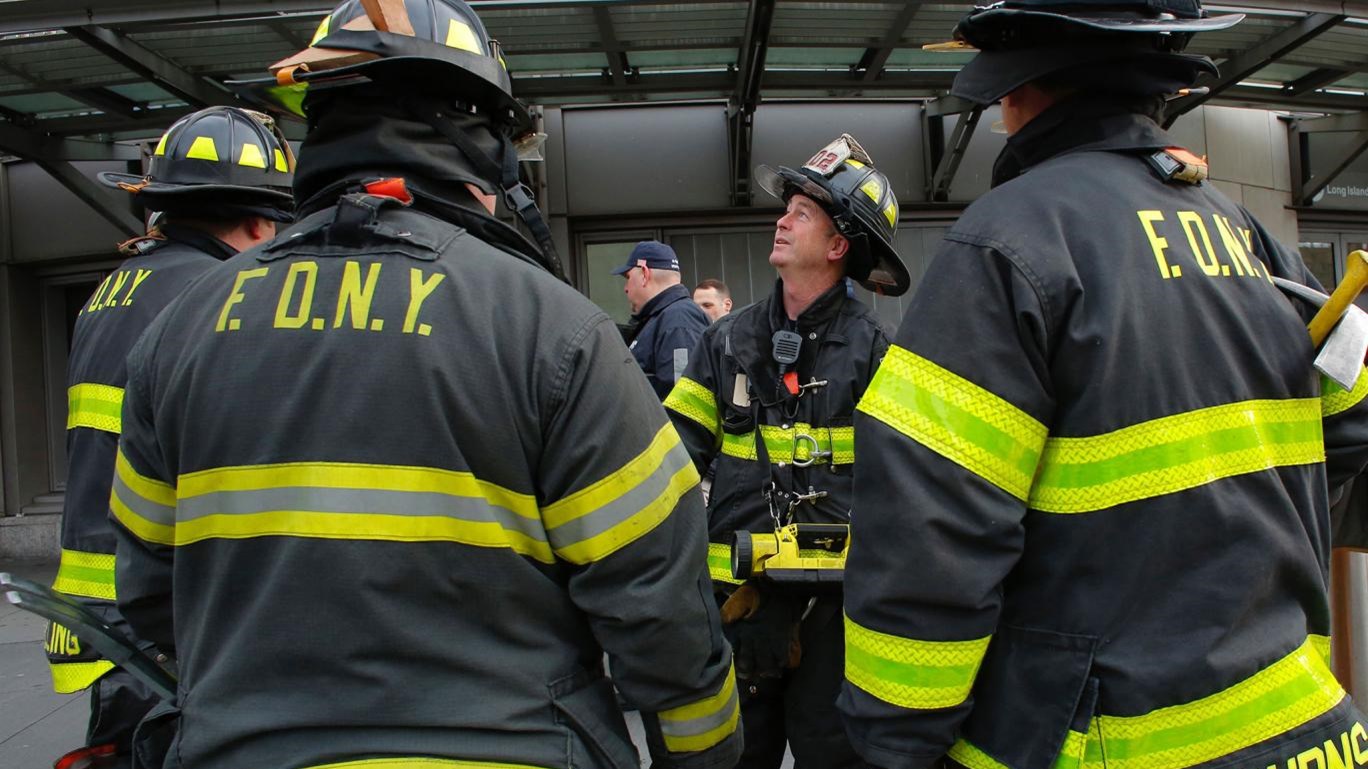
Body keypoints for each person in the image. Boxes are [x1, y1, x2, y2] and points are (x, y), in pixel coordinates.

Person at [108, 2, 740, 769]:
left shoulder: (179, 331)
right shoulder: (554, 329)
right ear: (475, 141)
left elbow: (148, 593)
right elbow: (659, 605)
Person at [840, 4, 1368, 769]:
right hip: (1302, 726)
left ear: (1019, 90)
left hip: (1108, 737)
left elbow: (929, 533)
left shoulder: (1009, 241)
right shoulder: (1247, 234)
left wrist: (892, 747)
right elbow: (1348, 438)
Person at [45, 105, 293, 769]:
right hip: (166, 607)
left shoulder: (119, 287)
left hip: (103, 598)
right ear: (257, 221)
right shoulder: (219, 294)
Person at [664, 133, 909, 769]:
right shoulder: (727, 342)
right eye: (786, 207)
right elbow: (670, 461)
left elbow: (900, 499)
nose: (781, 217)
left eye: (803, 212)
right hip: (735, 609)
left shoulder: (880, 356)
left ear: (836, 247)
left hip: (836, 621)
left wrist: (794, 594)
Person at [614, 240, 710, 399]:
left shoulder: (678, 321)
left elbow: (682, 401)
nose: (626, 288)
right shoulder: (663, 319)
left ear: (644, 274)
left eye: (628, 277)